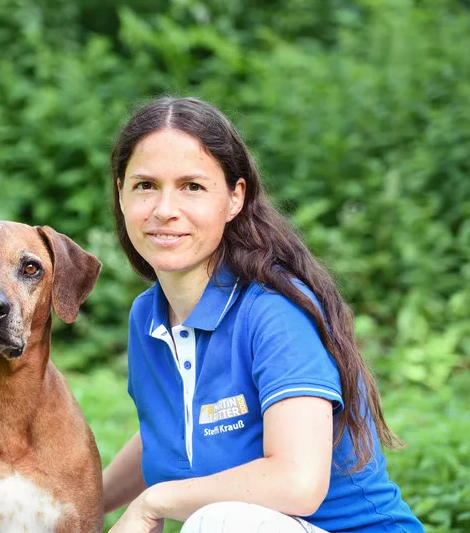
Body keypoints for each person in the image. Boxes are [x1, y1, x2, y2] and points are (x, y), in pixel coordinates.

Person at [102, 96, 424, 533]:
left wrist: (153, 502)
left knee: (221, 522)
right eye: (145, 185)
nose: (164, 209)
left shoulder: (273, 311)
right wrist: (75, 505)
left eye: (192, 186)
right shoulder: (148, 317)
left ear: (235, 198)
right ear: (121, 192)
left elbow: (298, 482)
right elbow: (175, 430)